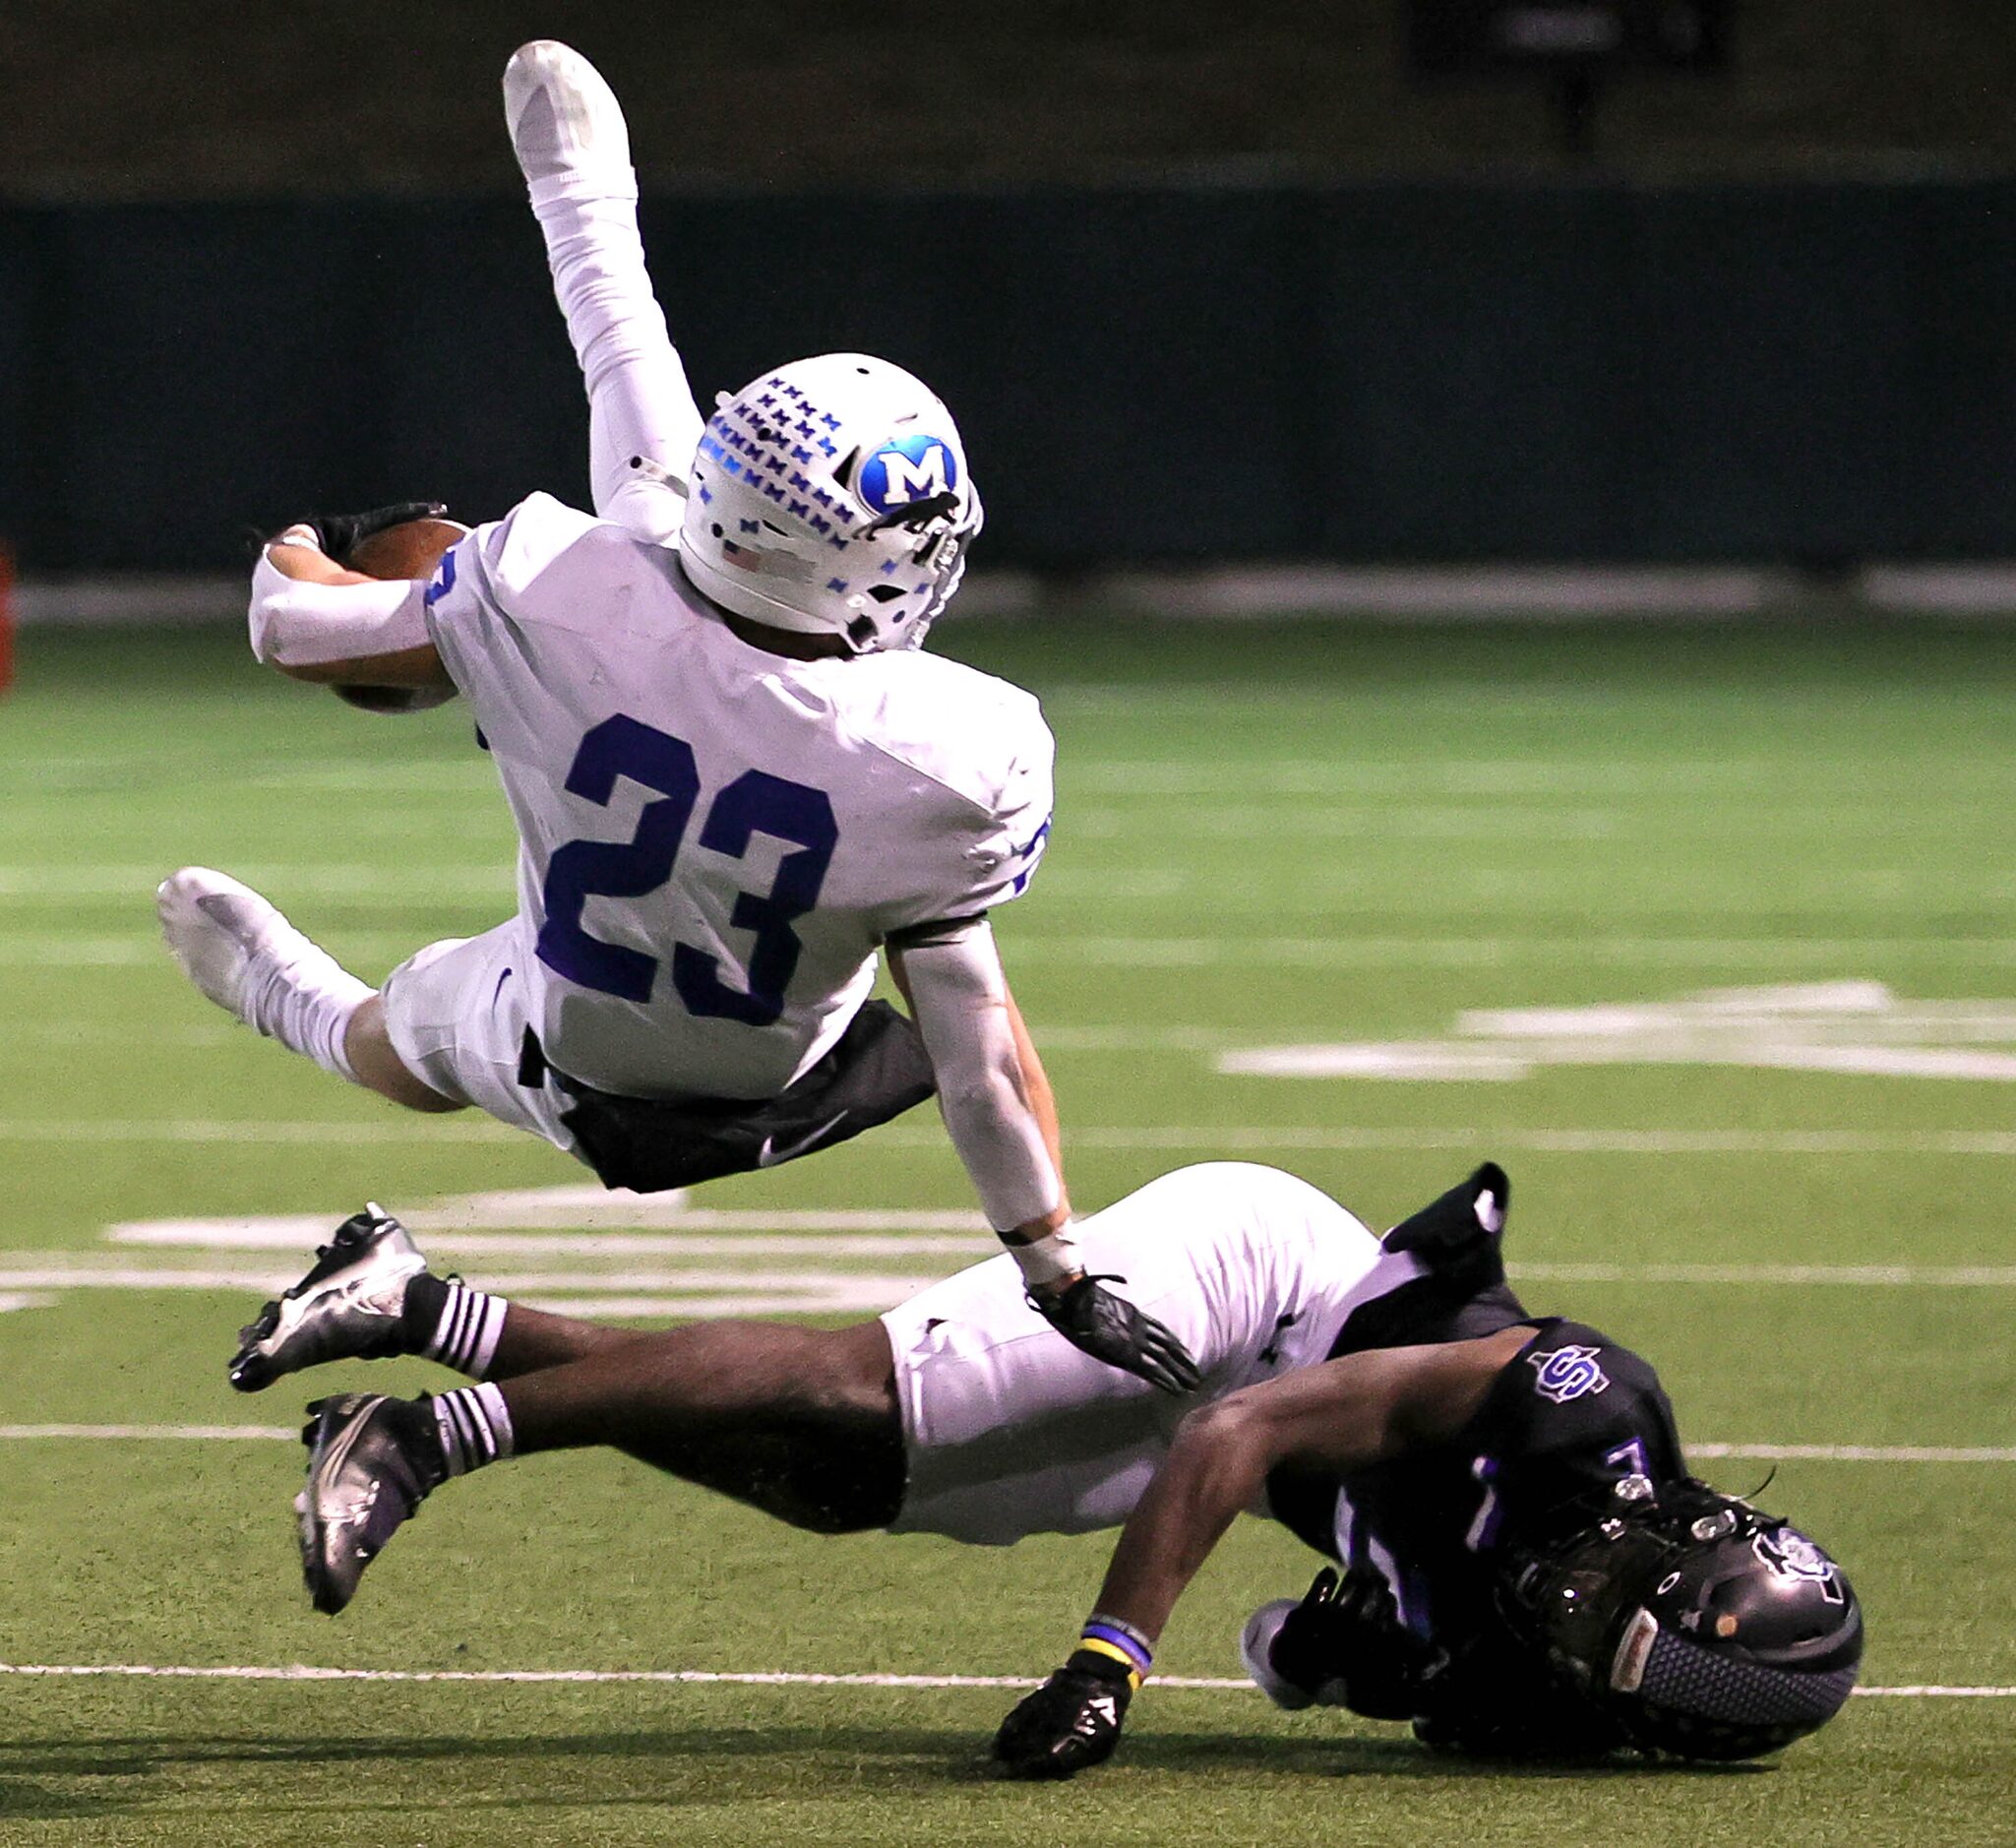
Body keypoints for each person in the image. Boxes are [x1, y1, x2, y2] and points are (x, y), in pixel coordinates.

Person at [156, 41, 1195, 1395]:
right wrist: (1054, 1264)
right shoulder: (952, 749)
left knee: (395, 1048)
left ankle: (286, 998)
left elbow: (289, 629)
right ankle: (585, 202)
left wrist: (300, 542)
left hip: (560, 1036)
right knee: (958, 997)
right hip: (784, 1082)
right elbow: (981, 1059)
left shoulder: (550, 583)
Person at [231, 1158, 1862, 1776]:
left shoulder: (1515, 1683)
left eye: (1608, 1644)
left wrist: (1364, 1659)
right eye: (1626, 1588)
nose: (1583, 1599)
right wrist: (1107, 1659)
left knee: (829, 1482)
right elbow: (1244, 1431)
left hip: (1222, 1426)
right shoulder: (1585, 1408)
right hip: (1262, 1293)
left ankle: (422, 1300)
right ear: (1686, 1531)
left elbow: (1288, 1651)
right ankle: (437, 1434)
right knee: (862, 1392)